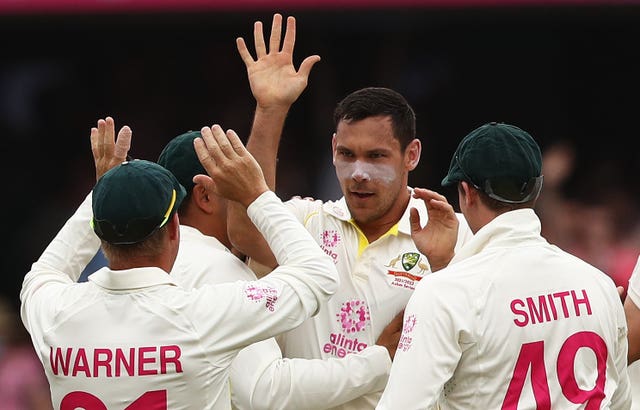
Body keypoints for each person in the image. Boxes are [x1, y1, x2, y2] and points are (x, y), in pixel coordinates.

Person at [227, 13, 474, 409]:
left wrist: (444, 268)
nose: (358, 173)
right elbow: (245, 230)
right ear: (332, 151)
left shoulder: (453, 235)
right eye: (347, 154)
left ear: (412, 155)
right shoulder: (305, 223)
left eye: (376, 156)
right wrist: (271, 109)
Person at [20, 117, 339, 409]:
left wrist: (107, 192)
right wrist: (255, 194)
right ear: (174, 229)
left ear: (98, 235)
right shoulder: (202, 314)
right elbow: (318, 275)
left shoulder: (53, 311)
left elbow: (45, 272)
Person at [377, 122, 631, 409]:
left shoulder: (443, 293)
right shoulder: (599, 285)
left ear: (466, 192)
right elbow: (619, 401)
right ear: (537, 188)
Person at [158, 129, 403, 409]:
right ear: (205, 196)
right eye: (242, 180)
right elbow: (267, 391)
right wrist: (379, 360)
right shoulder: (219, 271)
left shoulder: (158, 267)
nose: (250, 192)